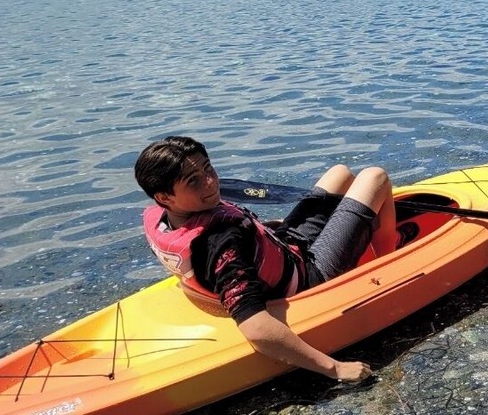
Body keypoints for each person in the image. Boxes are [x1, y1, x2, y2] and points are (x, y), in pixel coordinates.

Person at [134, 135, 396, 383]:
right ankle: (392, 260)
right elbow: (256, 328)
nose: (211, 183)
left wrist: (260, 232)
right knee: (376, 177)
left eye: (208, 168)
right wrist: (335, 368)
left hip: (285, 247)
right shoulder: (222, 243)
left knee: (341, 173)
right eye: (193, 181)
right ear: (164, 196)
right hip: (309, 275)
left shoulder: (164, 217)